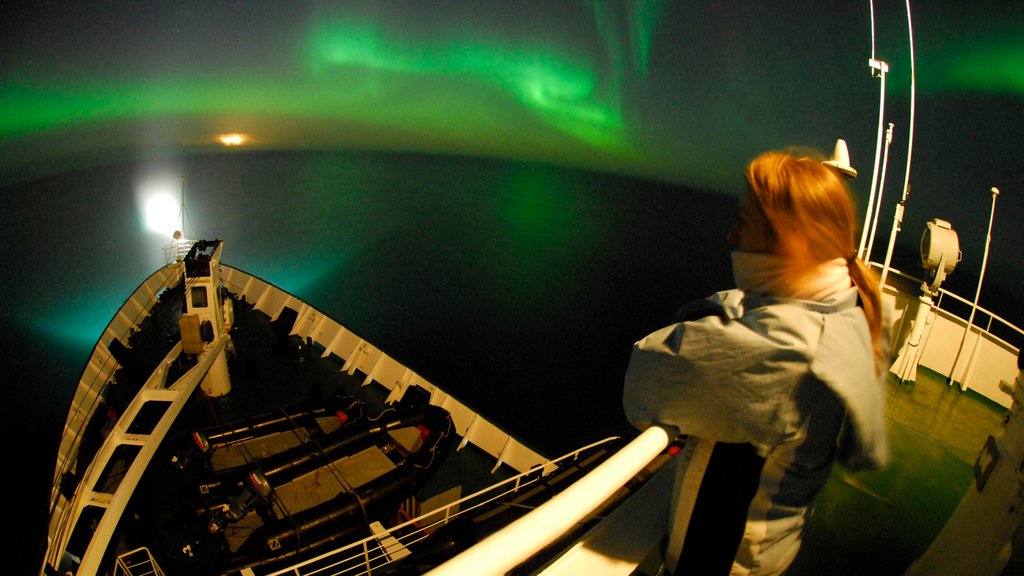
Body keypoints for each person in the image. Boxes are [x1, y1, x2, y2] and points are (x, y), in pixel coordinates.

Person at [623, 149, 890, 575]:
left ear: (790, 240)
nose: (732, 236)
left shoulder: (785, 352)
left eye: (744, 221)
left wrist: (717, 314)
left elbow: (645, 383)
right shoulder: (845, 311)